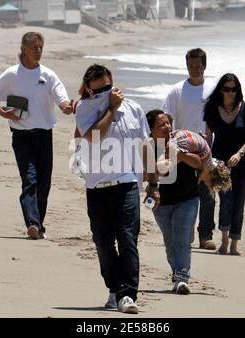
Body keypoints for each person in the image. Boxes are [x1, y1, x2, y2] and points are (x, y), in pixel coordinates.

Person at [75, 64, 159, 314]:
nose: (106, 94)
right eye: (99, 91)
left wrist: (153, 184)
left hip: (127, 184)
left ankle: (127, 295)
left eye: (109, 89)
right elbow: (93, 136)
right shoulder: (84, 108)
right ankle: (114, 287)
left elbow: (146, 147)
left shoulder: (133, 108)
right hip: (97, 186)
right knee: (102, 243)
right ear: (89, 90)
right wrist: (111, 107)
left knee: (127, 239)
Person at [0, 32, 72, 240]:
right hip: (21, 135)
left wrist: (67, 107)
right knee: (30, 179)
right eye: (34, 47)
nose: (38, 51)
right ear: (24, 48)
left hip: (44, 135)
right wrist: (2, 112)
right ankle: (32, 223)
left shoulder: (48, 75)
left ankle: (38, 225)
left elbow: (62, 100)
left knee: (44, 183)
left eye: (41, 47)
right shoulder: (12, 74)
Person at [163, 48, 217, 250]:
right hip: (182, 146)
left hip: (206, 145)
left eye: (198, 66)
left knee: (207, 189)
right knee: (185, 190)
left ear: (205, 66)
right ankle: (188, 230)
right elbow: (167, 117)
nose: (194, 69)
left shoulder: (213, 90)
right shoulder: (177, 90)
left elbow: (217, 117)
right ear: (186, 65)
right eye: (190, 65)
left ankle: (206, 234)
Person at [146, 109, 201, 294]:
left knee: (181, 240)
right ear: (151, 130)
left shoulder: (181, 140)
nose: (167, 127)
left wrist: (180, 155)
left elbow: (198, 162)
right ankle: (177, 273)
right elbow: (143, 174)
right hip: (162, 204)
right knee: (170, 243)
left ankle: (182, 278)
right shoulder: (147, 147)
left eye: (168, 123)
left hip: (188, 198)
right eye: (161, 125)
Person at [203, 73, 245, 255]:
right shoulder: (211, 109)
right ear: (221, 90)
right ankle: (224, 242)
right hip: (219, 163)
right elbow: (207, 138)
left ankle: (234, 243)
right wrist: (206, 162)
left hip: (241, 163)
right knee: (226, 200)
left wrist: (240, 154)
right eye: (226, 89)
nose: (230, 93)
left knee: (238, 202)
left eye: (233, 89)